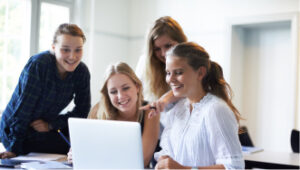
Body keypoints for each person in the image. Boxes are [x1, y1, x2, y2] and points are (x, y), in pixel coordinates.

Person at [0, 23, 91, 158]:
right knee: (60, 148)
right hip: (14, 128)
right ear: (54, 48)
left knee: (78, 146)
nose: (72, 56)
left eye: (78, 50)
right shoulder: (39, 65)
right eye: (65, 50)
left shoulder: (81, 72)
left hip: (43, 128)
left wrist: (50, 125)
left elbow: (82, 111)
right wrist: (14, 148)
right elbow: (23, 111)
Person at [154, 42, 244, 169]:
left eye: (178, 72)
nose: (170, 79)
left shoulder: (216, 109)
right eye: (168, 73)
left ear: (200, 73)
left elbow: (234, 167)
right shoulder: (178, 110)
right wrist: (164, 158)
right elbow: (169, 151)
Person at [68, 62, 160, 168]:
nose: (120, 96)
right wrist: (76, 154)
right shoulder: (98, 110)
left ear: (137, 87)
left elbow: (142, 160)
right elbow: (83, 148)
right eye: (113, 92)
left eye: (125, 88)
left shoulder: (150, 111)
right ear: (107, 94)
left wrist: (94, 156)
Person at [136, 16, 187, 103]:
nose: (164, 54)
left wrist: (165, 99)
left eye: (168, 46)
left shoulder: (192, 62)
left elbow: (191, 89)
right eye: (157, 49)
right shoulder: (144, 62)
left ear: (181, 43)